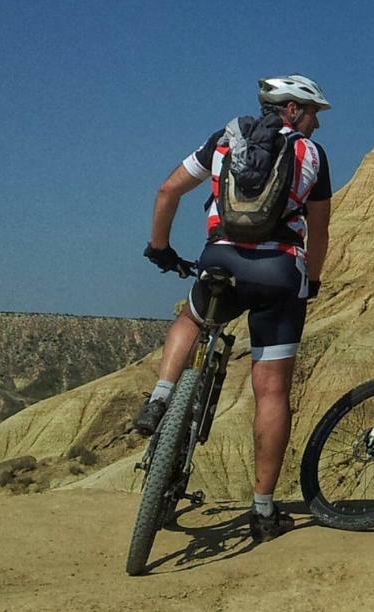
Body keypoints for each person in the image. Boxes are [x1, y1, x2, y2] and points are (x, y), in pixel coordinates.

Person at [135, 75, 332, 543]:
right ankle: (262, 510)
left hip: (221, 259)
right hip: (280, 272)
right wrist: (315, 278)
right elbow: (320, 230)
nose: (317, 124)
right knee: (271, 393)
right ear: (291, 111)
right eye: (312, 113)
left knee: (192, 316)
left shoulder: (225, 138)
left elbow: (167, 192)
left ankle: (161, 395)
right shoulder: (312, 155)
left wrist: (161, 248)